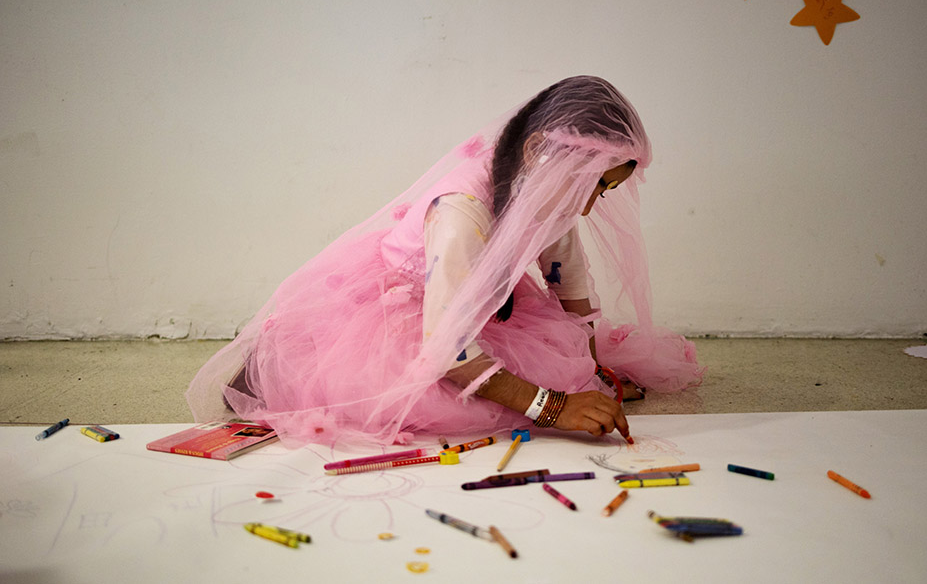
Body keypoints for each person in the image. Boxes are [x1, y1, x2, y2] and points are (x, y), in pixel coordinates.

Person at [186, 75, 703, 447]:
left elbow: (568, 279)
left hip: (475, 300)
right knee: (464, 402)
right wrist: (556, 405)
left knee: (554, 365)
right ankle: (269, 374)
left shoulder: (550, 195)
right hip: (407, 315)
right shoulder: (462, 211)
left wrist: (589, 369)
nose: (590, 205)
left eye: (604, 193)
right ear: (542, 155)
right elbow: (447, 351)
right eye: (592, 186)